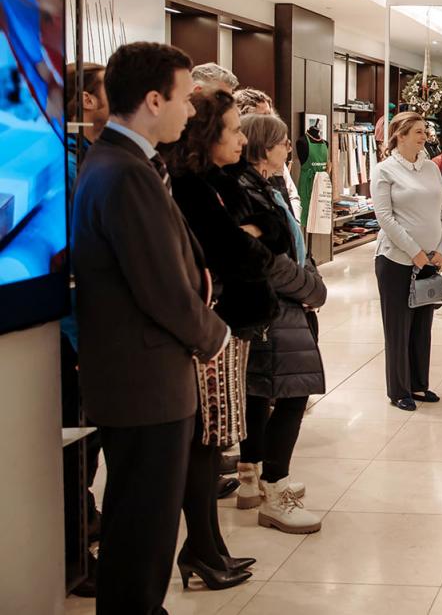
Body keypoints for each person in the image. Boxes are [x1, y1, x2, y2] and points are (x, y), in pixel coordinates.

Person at [71, 42, 229, 613]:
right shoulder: (123, 173)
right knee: (143, 530)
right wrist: (215, 336)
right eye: (185, 99)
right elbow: (162, 287)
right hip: (145, 383)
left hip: (143, 381)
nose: (191, 113)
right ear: (154, 99)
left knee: (142, 527)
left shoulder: (127, 164)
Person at [163, 89, 281, 591]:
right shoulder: (190, 186)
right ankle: (202, 546)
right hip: (212, 326)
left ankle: (208, 545)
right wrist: (246, 238)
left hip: (233, 322)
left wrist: (251, 236)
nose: (241, 137)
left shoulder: (224, 180)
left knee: (214, 439)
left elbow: (273, 233)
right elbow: (234, 251)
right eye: (233, 128)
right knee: (207, 438)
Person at [233, 113, 327, 534]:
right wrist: (309, 289)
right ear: (263, 146)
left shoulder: (266, 187)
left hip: (283, 305)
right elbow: (268, 260)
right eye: (283, 141)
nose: (290, 148)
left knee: (267, 391)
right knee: (291, 392)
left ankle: (256, 476)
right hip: (277, 306)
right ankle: (275, 486)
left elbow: (292, 244)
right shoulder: (247, 191)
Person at [60, 62, 109, 597]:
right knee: (76, 447)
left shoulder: (94, 158)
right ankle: (74, 555)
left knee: (87, 443)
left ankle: (83, 534)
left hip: (88, 328)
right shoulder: (69, 163)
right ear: (88, 102)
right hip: (73, 330)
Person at [372, 111, 442, 410]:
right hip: (396, 260)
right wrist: (415, 253)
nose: (425, 136)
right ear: (400, 135)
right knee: (398, 327)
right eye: (418, 131)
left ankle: (419, 384)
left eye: (425, 130)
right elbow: (385, 218)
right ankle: (399, 390)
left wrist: (441, 248)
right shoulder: (385, 170)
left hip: (429, 260)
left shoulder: (431, 168)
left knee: (422, 325)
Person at [233, 86, 302, 220]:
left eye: (270, 115)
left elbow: (291, 194)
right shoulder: (236, 169)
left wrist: (293, 222)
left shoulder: (276, 159)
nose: (270, 121)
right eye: (263, 116)